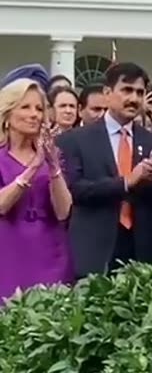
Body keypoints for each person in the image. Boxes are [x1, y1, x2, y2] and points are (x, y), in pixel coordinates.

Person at [56, 62, 152, 278]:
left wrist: (150, 176)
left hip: (140, 252)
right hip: (93, 250)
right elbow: (76, 190)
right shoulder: (73, 140)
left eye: (139, 92)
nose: (133, 98)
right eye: (126, 90)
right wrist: (126, 181)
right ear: (107, 93)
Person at [0, 78, 73, 298]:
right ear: (8, 115)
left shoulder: (54, 156)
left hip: (50, 251)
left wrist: (52, 166)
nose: (34, 114)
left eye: (39, 109)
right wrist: (33, 167)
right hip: (8, 251)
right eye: (25, 107)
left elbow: (63, 211)